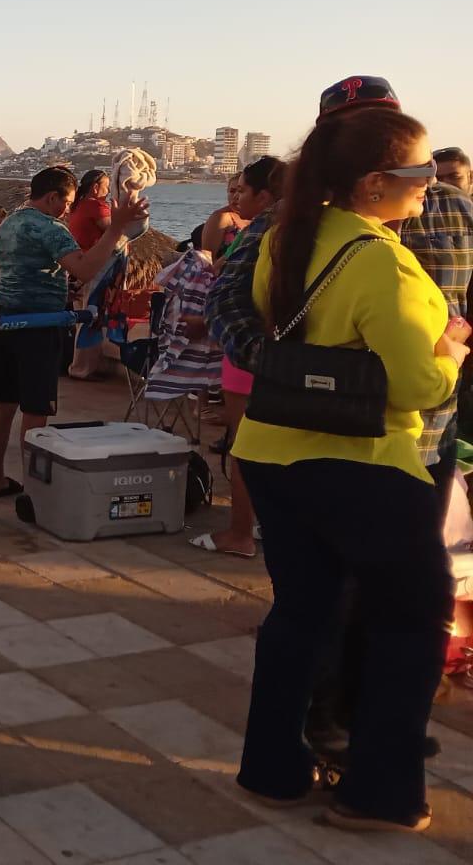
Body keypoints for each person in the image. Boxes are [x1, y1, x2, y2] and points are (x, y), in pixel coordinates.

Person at [230, 106, 462, 833]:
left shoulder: (289, 239)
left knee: (302, 612)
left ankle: (272, 768)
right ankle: (382, 793)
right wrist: (452, 351)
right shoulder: (382, 262)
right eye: (418, 174)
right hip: (361, 462)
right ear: (371, 185)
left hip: (272, 451)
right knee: (413, 619)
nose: (430, 187)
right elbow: (420, 388)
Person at [0, 166, 146, 497]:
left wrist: (52, 283)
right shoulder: (51, 228)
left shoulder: (7, 226)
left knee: (3, 404)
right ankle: (34, 492)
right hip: (39, 327)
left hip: (6, 322)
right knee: (35, 409)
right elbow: (86, 268)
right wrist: (115, 229)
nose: (68, 210)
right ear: (52, 197)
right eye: (67, 202)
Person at [192, 154, 283, 558]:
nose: (236, 197)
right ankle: (268, 522)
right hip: (285, 353)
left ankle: (239, 532)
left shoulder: (260, 232)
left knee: (243, 445)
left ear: (265, 195)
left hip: (249, 349)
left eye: (243, 190)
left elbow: (224, 284)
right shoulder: (299, 231)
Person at [66, 169, 114, 379]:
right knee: (92, 317)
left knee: (83, 316)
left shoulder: (77, 206)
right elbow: (114, 231)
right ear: (96, 187)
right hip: (95, 268)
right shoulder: (96, 206)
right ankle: (83, 368)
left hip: (78, 266)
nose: (109, 189)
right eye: (106, 185)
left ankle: (88, 364)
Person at [201, 173, 249, 260]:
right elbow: (207, 259)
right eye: (232, 191)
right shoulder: (222, 217)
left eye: (241, 191)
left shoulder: (260, 218)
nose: (235, 196)